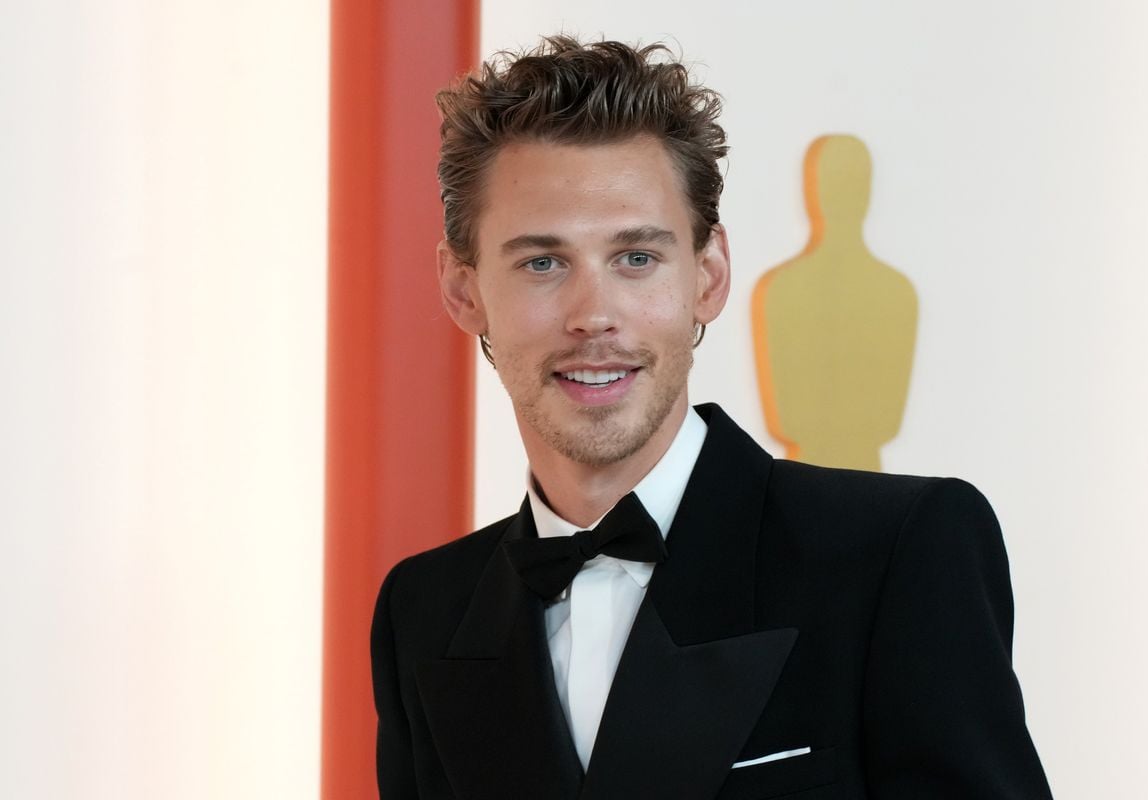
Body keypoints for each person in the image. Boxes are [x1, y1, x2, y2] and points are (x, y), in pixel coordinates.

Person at [371, 36, 1053, 799]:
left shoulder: (898, 552)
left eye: (636, 258)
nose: (594, 315)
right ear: (463, 292)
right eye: (543, 262)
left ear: (709, 275)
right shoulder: (424, 610)